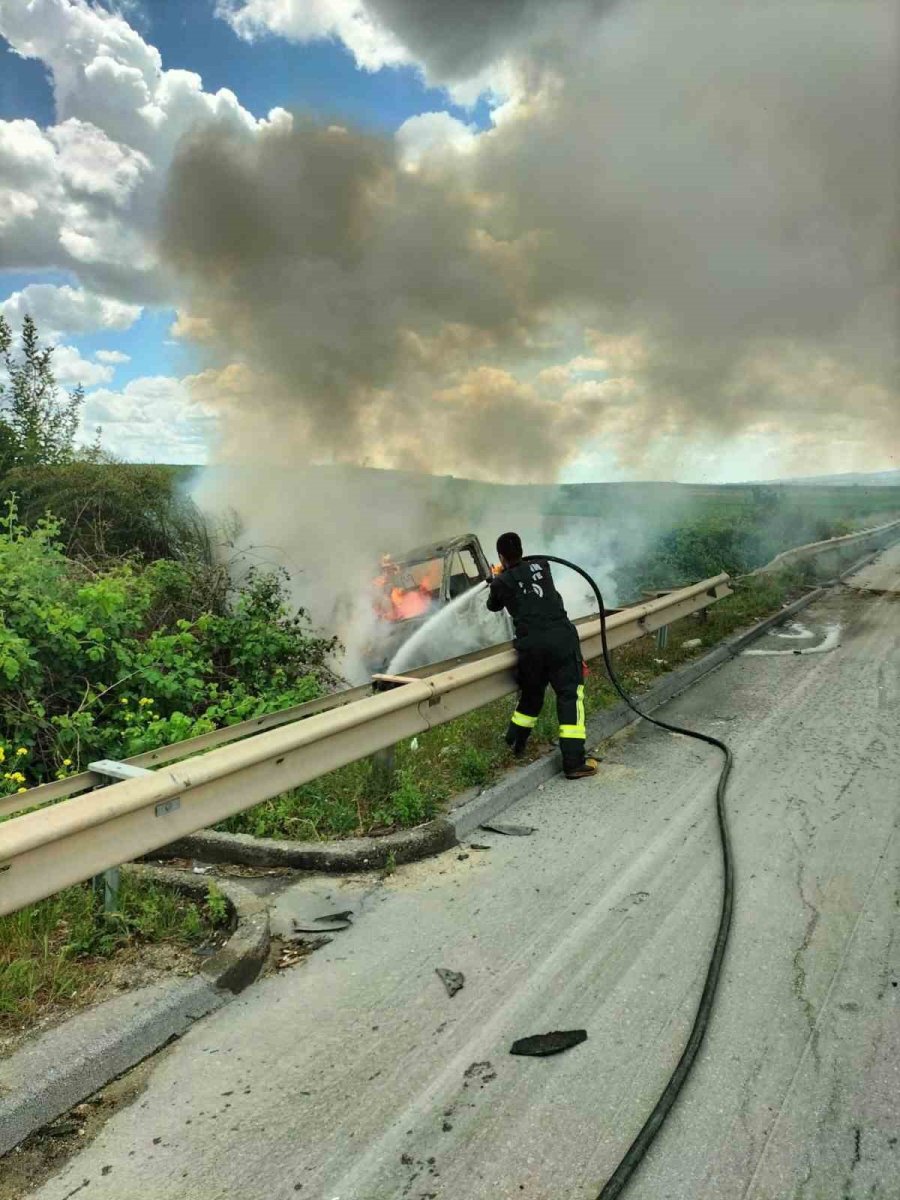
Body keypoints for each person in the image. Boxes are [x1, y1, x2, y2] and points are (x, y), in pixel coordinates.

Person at [487, 532, 598, 779]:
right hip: (561, 640)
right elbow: (529, 576)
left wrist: (498, 577)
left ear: (501, 557)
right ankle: (573, 762)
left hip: (531, 648)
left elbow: (493, 605)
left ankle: (513, 745)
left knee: (531, 697)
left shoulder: (500, 582)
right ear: (522, 550)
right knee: (570, 696)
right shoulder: (542, 565)